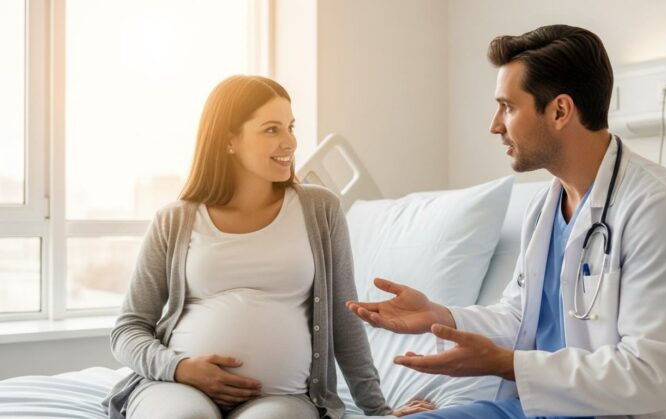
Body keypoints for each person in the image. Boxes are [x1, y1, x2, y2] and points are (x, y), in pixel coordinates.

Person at [347, 25, 666, 419]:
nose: (495, 125)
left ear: (560, 111)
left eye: (508, 107)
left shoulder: (661, 210)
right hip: (545, 408)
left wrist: (504, 363)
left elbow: (650, 377)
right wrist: (440, 316)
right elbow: (520, 316)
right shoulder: (546, 204)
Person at [103, 75, 434, 419]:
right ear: (229, 139)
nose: (290, 142)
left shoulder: (320, 209)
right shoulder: (174, 219)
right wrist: (180, 368)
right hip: (177, 388)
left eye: (291, 127)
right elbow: (128, 329)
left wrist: (378, 410)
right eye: (272, 130)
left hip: (281, 398)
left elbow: (343, 322)